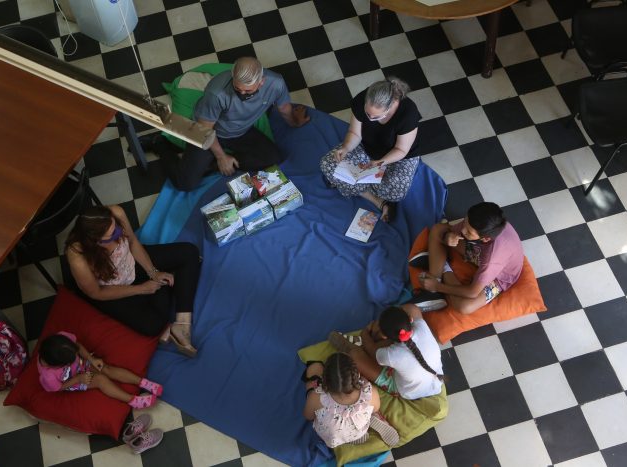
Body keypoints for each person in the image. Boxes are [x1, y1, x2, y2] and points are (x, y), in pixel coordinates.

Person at [151, 56, 311, 191]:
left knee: (273, 157)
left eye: (248, 91)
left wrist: (296, 122)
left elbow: (284, 109)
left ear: (261, 82)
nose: (241, 94)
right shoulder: (216, 92)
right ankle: (160, 143)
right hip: (210, 133)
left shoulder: (276, 84)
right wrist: (221, 157)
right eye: (237, 88)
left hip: (241, 131)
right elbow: (204, 129)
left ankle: (209, 165)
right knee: (185, 183)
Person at [65, 205, 202, 357]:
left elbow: (133, 242)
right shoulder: (78, 257)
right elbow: (97, 293)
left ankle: (182, 324)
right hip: (112, 287)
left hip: (132, 262)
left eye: (117, 228)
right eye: (111, 236)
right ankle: (171, 283)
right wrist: (141, 289)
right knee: (152, 325)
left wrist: (153, 272)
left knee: (189, 252)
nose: (118, 236)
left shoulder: (116, 213)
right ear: (95, 242)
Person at [319, 77, 422, 222]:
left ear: (391, 105)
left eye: (376, 116)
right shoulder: (362, 99)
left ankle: (352, 184)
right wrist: (346, 148)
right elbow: (355, 133)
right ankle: (378, 201)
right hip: (367, 147)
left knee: (396, 191)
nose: (371, 118)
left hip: (398, 157)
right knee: (328, 165)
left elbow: (401, 149)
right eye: (368, 114)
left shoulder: (408, 113)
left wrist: (380, 162)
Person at [416, 202, 524, 315]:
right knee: (438, 230)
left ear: (486, 239)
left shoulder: (492, 259)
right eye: (465, 222)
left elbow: (472, 292)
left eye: (468, 232)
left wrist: (438, 287)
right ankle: (432, 292)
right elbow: (452, 231)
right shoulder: (479, 221)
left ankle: (442, 267)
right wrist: (448, 237)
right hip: (480, 251)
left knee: (464, 307)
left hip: (501, 275)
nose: (463, 231)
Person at [329, 304, 443, 400]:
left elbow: (372, 350)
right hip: (436, 383)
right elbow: (413, 311)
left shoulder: (390, 355)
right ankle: (370, 339)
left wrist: (364, 333)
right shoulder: (422, 326)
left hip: (407, 392)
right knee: (413, 308)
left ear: (384, 336)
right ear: (410, 319)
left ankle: (353, 344)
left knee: (356, 356)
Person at [37, 332, 163, 410]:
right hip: (71, 381)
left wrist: (91, 360)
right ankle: (132, 400)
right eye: (69, 362)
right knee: (101, 380)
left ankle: (143, 382)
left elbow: (78, 346)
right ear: (56, 366)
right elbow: (58, 388)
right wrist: (78, 379)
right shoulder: (48, 376)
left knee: (105, 368)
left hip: (83, 364)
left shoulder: (62, 339)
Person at [302, 352, 399, 448]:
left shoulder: (316, 397)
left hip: (334, 438)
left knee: (313, 370)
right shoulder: (370, 392)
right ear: (357, 374)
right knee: (371, 410)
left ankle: (345, 435)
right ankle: (365, 424)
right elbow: (376, 408)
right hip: (359, 430)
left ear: (324, 379)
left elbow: (308, 416)